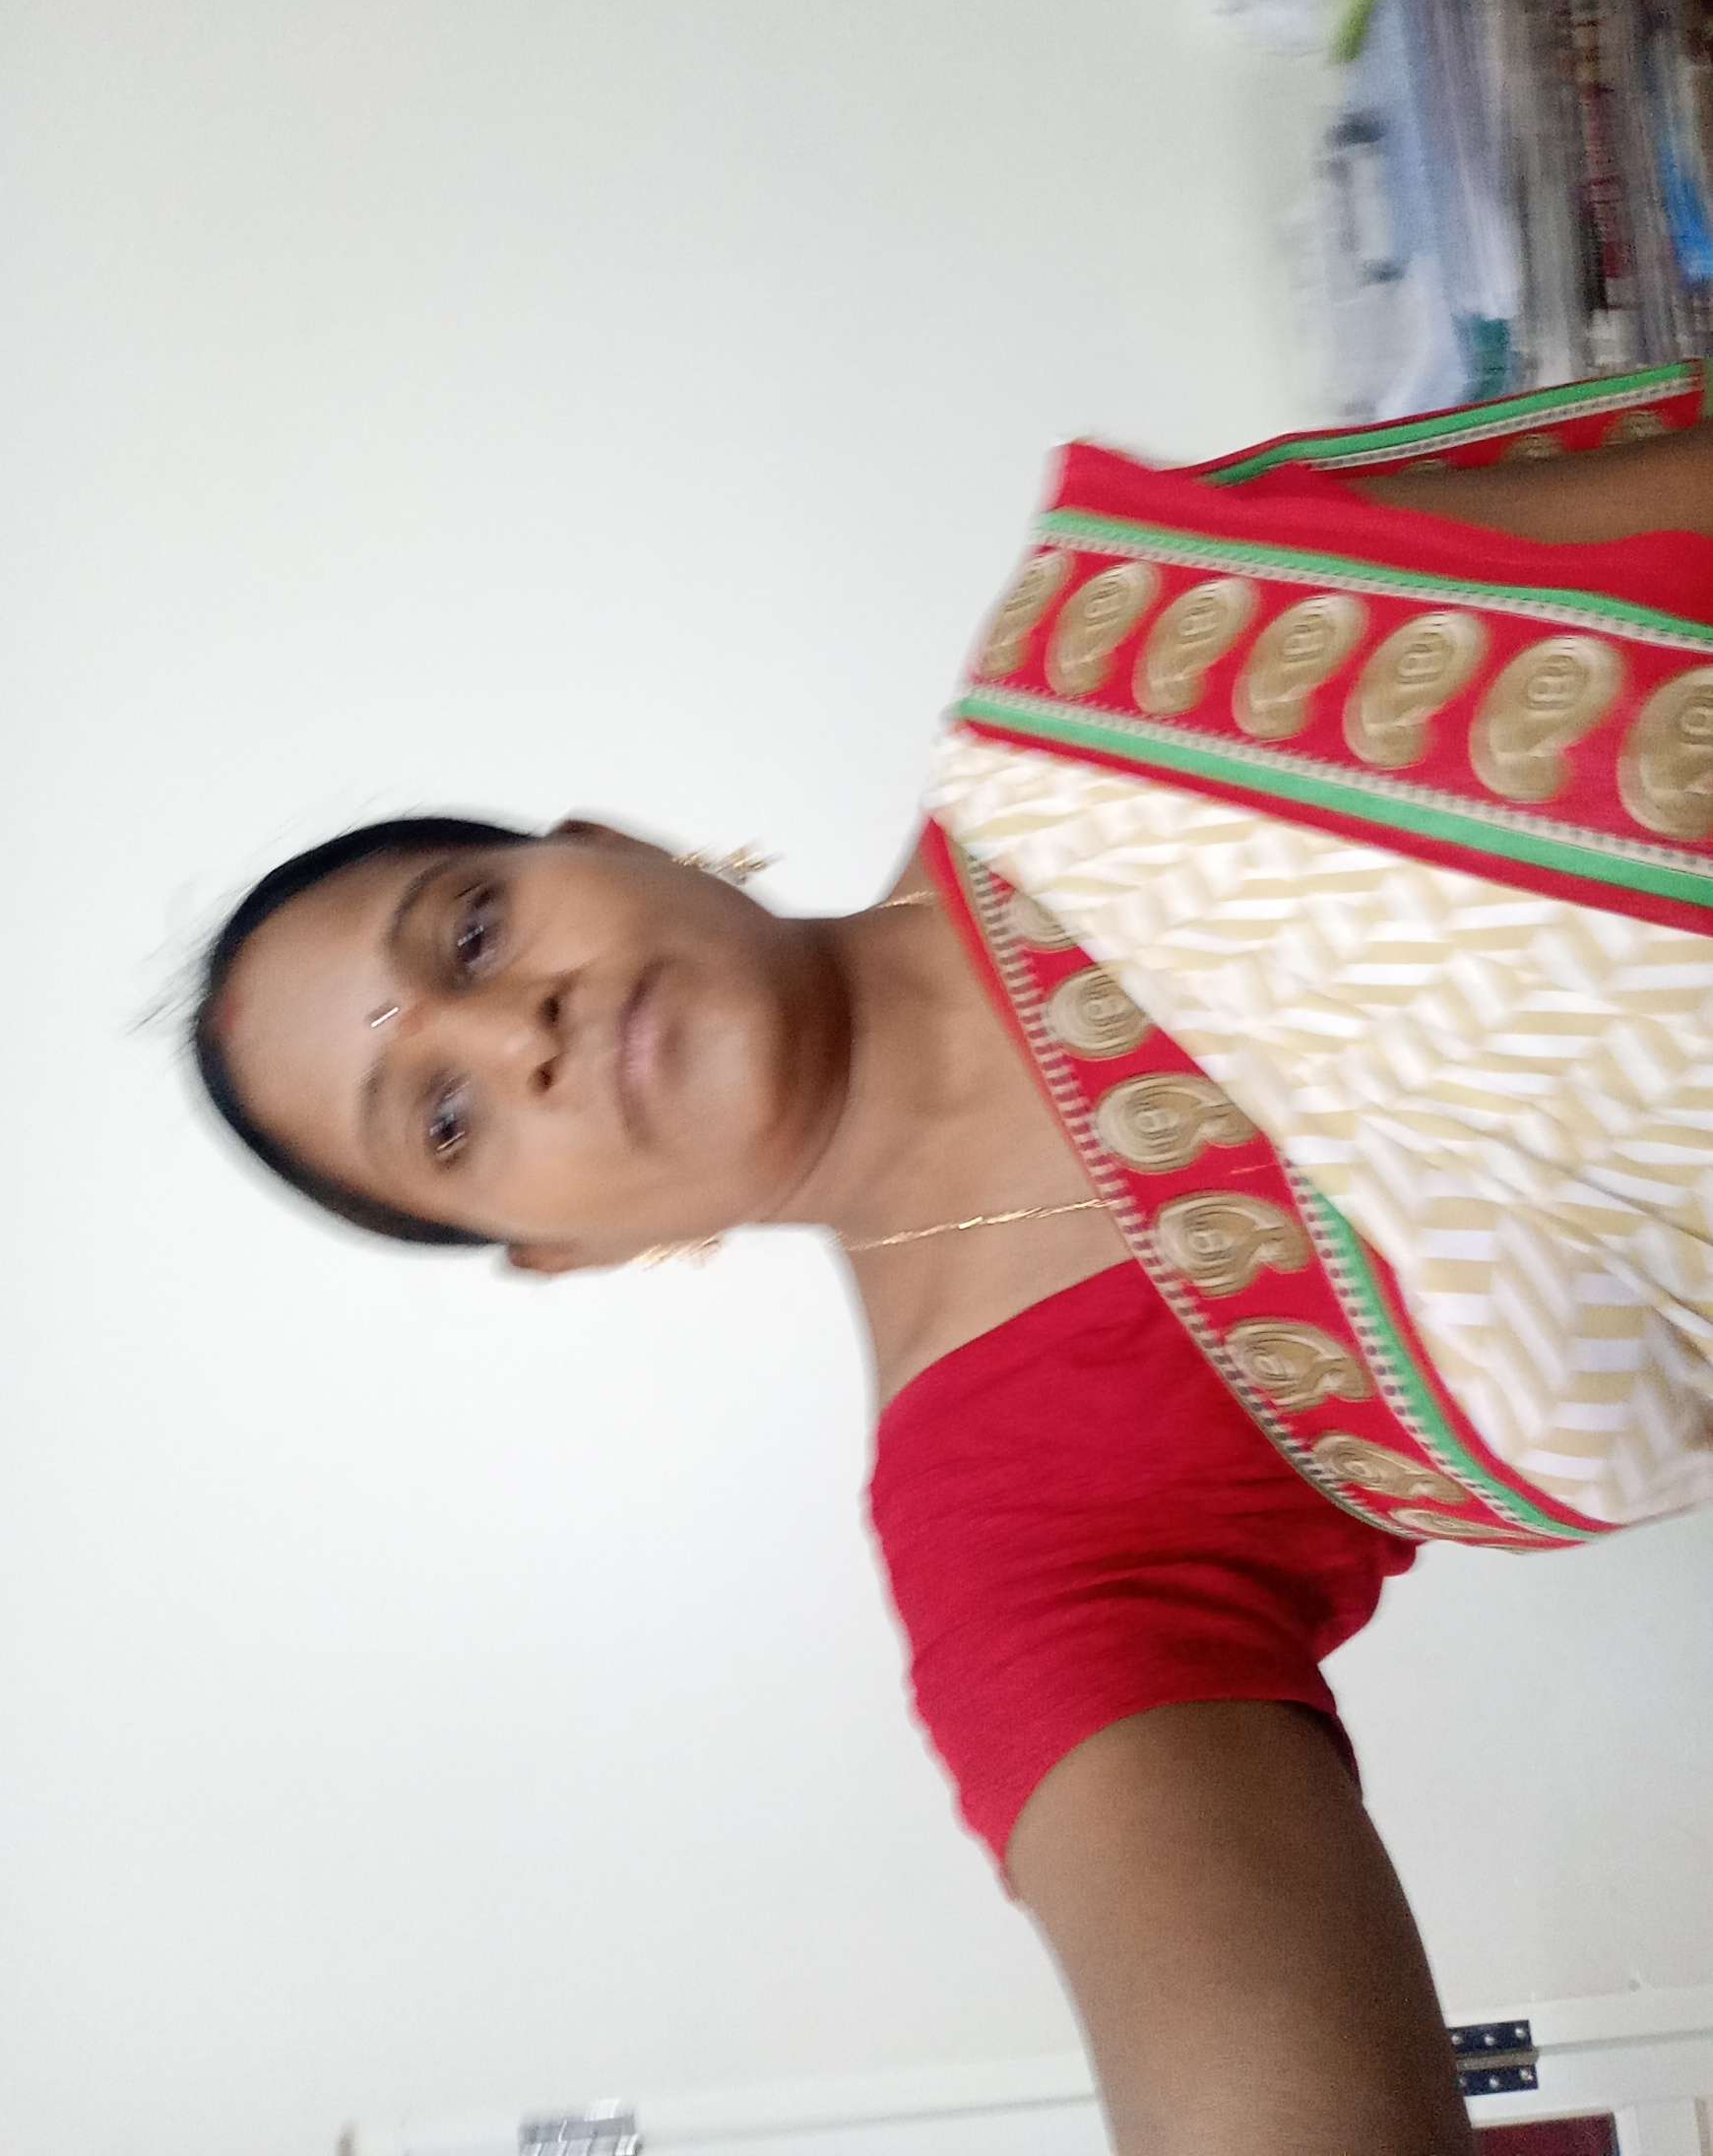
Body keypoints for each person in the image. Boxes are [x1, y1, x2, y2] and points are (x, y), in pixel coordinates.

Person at [192, 361, 1713, 2156]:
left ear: (609, 849)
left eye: (469, 930)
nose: (515, 1028)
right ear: (560, 1252)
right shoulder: (1014, 1532)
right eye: (443, 1119)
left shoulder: (1117, 648)